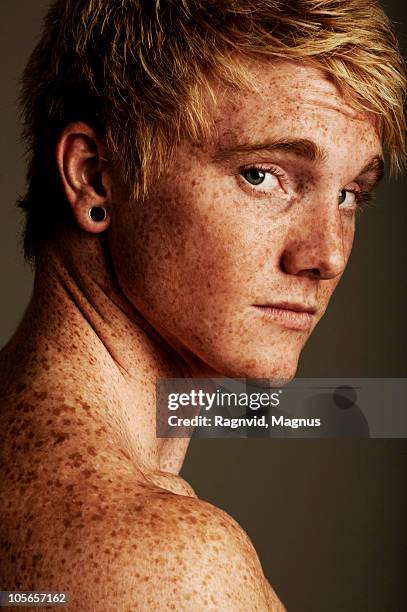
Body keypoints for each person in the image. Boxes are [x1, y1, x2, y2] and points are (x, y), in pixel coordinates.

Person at [0, 0, 405, 609]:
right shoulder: (168, 566)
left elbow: (349, 411)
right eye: (263, 175)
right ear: (95, 177)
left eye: (349, 194)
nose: (328, 256)